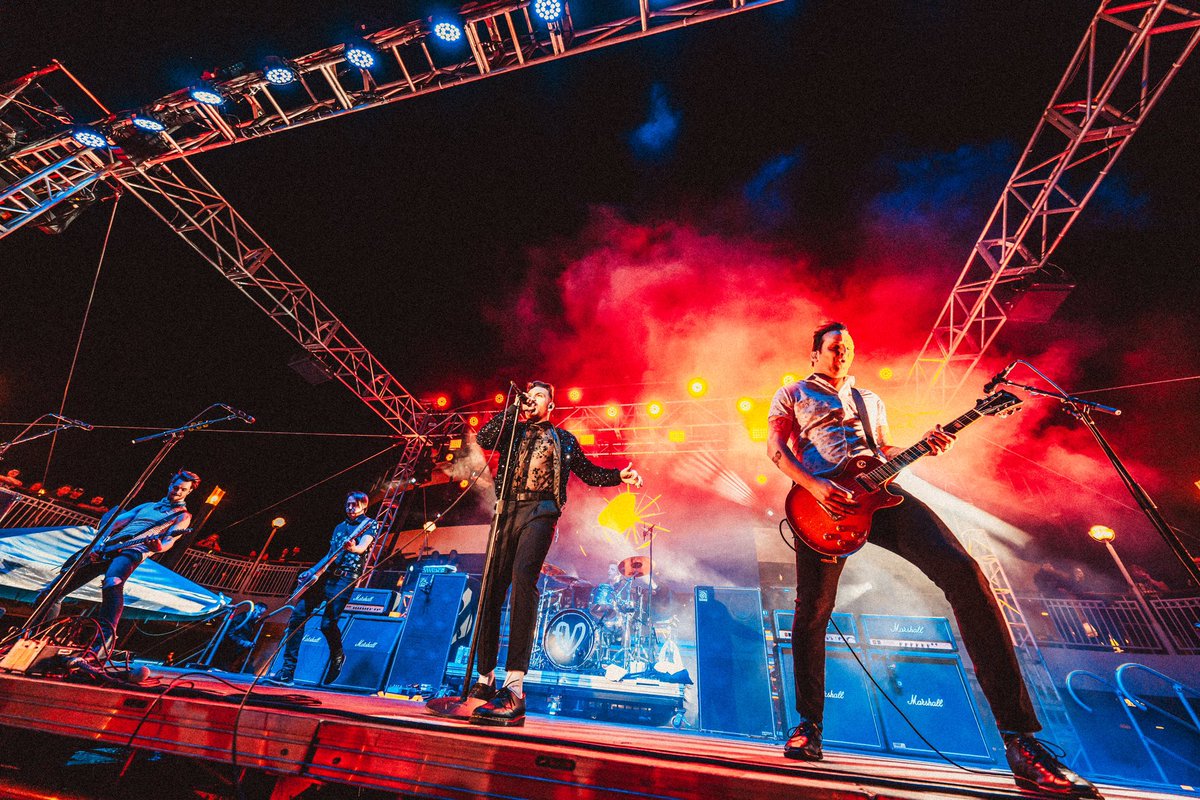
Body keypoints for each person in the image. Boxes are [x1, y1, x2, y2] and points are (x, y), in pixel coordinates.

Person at [767, 322, 1099, 798]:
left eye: (850, 349)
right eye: (836, 348)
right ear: (814, 353)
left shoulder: (871, 400)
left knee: (964, 573)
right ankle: (808, 725)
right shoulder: (793, 394)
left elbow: (880, 453)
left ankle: (1020, 742)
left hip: (881, 495)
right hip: (821, 505)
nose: (844, 355)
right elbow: (776, 450)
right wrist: (818, 486)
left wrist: (925, 444)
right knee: (813, 611)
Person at [427, 380, 643, 726]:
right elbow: (484, 440)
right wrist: (514, 409)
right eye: (530, 394)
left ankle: (515, 687)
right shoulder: (512, 431)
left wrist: (619, 475)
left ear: (551, 405)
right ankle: (485, 681)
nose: (533, 399)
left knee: (522, 581)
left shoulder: (564, 439)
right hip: (506, 511)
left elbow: (588, 472)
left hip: (541, 512)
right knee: (491, 592)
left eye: (540, 395)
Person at [33, 470, 199, 656]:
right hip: (107, 547)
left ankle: (103, 643)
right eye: (175, 487)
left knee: (113, 583)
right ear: (170, 485)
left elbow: (169, 541)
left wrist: (159, 547)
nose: (177, 492)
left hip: (134, 550)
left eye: (183, 490)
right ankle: (36, 636)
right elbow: (111, 523)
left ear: (189, 492)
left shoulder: (183, 516)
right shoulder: (147, 506)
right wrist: (99, 544)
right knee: (52, 592)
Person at [271, 491, 377, 684]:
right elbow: (330, 554)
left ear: (364, 506)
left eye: (354, 504)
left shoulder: (369, 524)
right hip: (325, 576)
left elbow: (363, 547)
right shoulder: (339, 527)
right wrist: (312, 570)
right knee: (298, 616)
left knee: (327, 624)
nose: (350, 507)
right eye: (348, 504)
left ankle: (338, 655)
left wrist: (353, 548)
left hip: (346, 578)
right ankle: (287, 671)